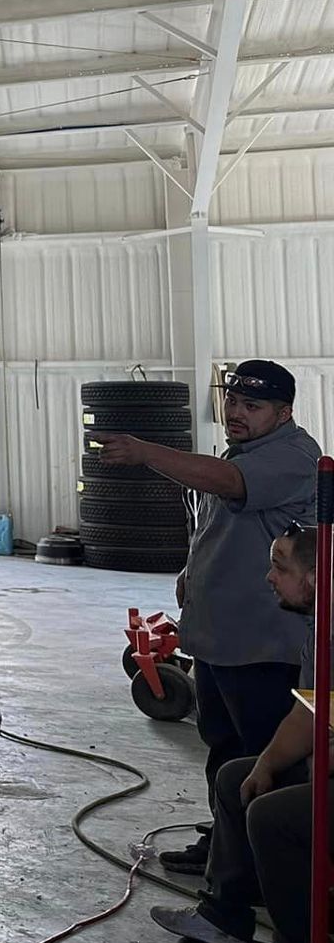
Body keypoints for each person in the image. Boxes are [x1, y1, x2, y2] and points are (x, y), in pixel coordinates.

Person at [90, 360, 319, 874]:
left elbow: (227, 482)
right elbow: (220, 521)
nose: (236, 413)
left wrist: (146, 451)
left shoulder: (292, 456)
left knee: (262, 757)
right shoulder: (241, 449)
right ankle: (227, 844)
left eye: (252, 406)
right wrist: (192, 569)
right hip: (219, 638)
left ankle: (264, 862)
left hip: (261, 644)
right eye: (233, 402)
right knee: (222, 749)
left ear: (284, 412)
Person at [149, 522, 322, 943]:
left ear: (314, 577)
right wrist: (268, 764)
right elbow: (307, 712)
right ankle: (224, 916)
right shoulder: (315, 625)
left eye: (279, 566)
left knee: (272, 816)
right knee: (237, 778)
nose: (268, 577)